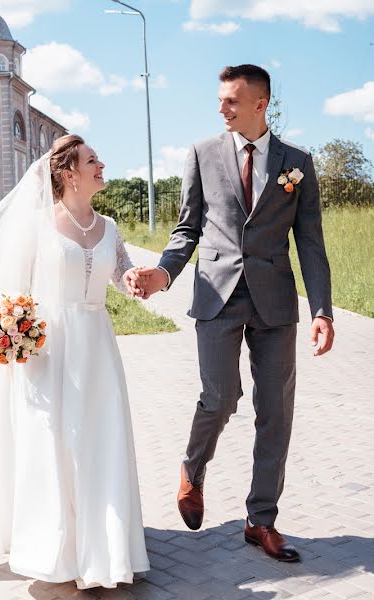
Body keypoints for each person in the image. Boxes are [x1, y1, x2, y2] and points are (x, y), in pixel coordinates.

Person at [126, 64, 334, 562]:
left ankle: (261, 520)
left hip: (275, 302)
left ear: (260, 104)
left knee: (276, 412)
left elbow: (310, 243)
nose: (222, 108)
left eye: (232, 101)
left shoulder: (297, 162)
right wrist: (163, 273)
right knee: (219, 399)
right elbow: (187, 230)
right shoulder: (202, 153)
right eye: (221, 100)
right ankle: (192, 472)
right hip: (216, 295)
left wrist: (323, 310)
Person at [0, 134, 150, 587]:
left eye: (98, 159)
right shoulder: (38, 225)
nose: (101, 165)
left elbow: (121, 277)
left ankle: (104, 547)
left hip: (97, 345)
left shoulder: (110, 227)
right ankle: (53, 547)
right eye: (92, 160)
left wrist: (137, 278)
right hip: (48, 349)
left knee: (99, 438)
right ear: (67, 172)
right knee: (53, 442)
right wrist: (10, 329)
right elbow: (8, 289)